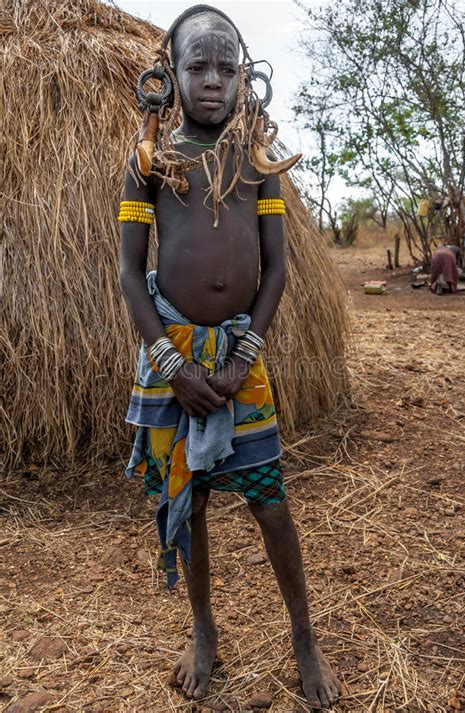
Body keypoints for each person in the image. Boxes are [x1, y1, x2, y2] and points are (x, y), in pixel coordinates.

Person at [119, 5, 341, 708]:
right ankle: (204, 628)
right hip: (171, 355)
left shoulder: (259, 161)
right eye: (197, 66)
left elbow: (274, 271)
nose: (212, 79)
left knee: (271, 502)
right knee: (191, 502)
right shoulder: (151, 161)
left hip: (241, 357)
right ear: (171, 76)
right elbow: (130, 274)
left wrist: (245, 354)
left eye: (226, 66)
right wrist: (171, 365)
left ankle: (303, 635)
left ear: (248, 77)